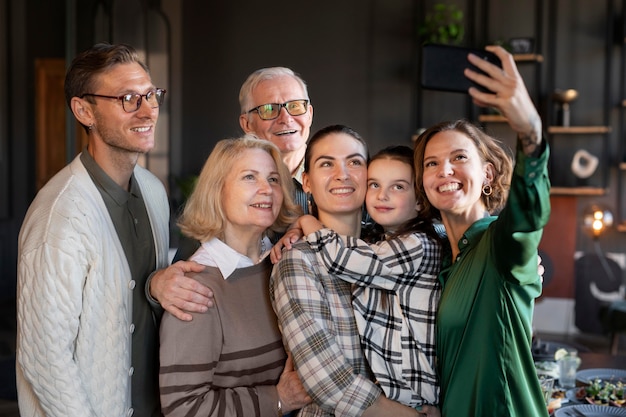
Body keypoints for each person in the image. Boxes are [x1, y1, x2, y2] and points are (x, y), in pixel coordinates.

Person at [15, 42, 206, 417]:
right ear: (84, 110)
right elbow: (44, 358)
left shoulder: (152, 190)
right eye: (128, 98)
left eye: (151, 95)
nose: (148, 110)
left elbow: (133, 303)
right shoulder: (60, 216)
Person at [412, 45, 551, 416]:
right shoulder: (443, 260)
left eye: (459, 157)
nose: (445, 170)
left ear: (487, 174)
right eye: (431, 163)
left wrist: (530, 131)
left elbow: (527, 218)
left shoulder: (499, 245)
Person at [270, 125, 438, 417]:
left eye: (355, 162)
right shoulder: (298, 261)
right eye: (327, 164)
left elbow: (444, 235)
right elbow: (329, 382)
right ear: (306, 182)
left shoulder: (389, 245)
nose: (342, 174)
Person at [159, 135, 311, 416]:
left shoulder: (285, 263)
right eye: (250, 177)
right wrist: (277, 400)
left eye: (274, 179)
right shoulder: (196, 288)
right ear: (218, 191)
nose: (266, 189)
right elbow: (183, 408)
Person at [172, 67, 314, 263]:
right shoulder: (224, 186)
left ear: (309, 114)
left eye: (296, 106)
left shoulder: (337, 181)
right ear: (247, 124)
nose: (286, 118)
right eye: (269, 109)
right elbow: (183, 274)